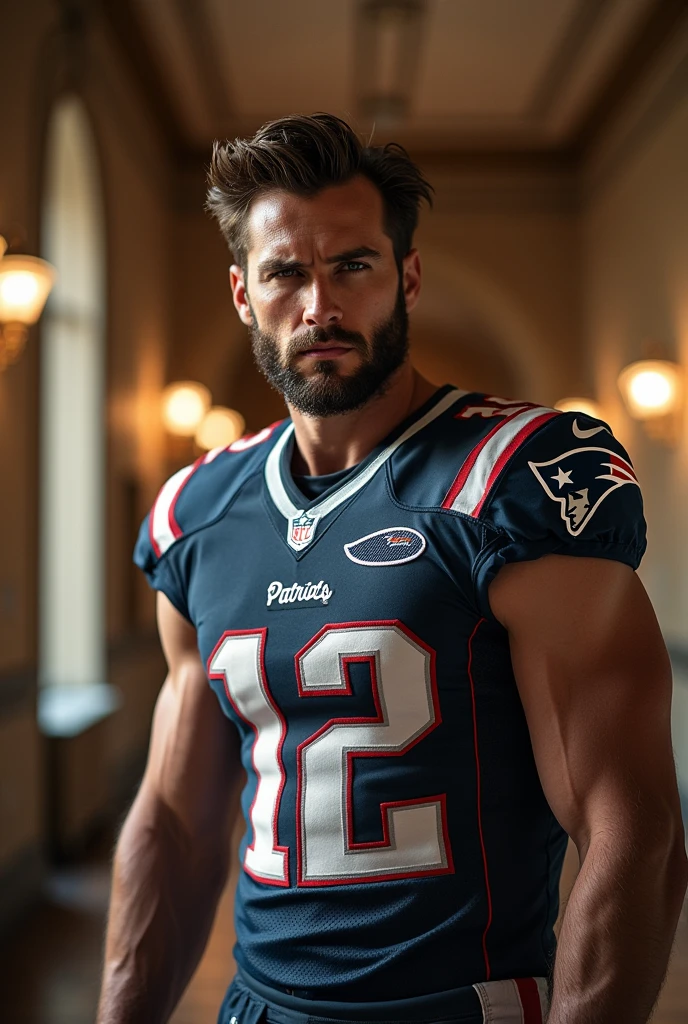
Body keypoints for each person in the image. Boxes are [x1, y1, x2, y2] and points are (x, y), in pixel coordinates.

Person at [97, 114, 687, 1024]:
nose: (320, 307)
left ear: (406, 277)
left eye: (353, 266)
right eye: (287, 272)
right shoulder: (197, 515)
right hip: (256, 1008)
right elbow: (175, 827)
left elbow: (632, 831)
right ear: (243, 294)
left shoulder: (513, 477)